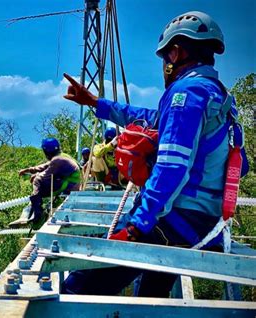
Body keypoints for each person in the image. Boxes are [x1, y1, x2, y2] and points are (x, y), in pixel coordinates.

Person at [61, 11, 245, 297]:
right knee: (150, 300)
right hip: (202, 223)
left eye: (164, 58)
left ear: (176, 52)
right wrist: (96, 103)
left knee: (80, 287)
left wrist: (138, 225)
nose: (164, 67)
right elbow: (147, 117)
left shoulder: (187, 92)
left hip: (172, 220)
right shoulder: (218, 96)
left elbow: (172, 166)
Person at [15, 138, 80, 225]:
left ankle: (37, 212)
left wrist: (36, 175)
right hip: (69, 183)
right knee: (39, 181)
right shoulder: (61, 156)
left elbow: (46, 175)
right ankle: (34, 207)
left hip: (69, 186)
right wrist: (28, 170)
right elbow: (44, 166)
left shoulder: (57, 160)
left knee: (37, 180)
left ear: (46, 152)